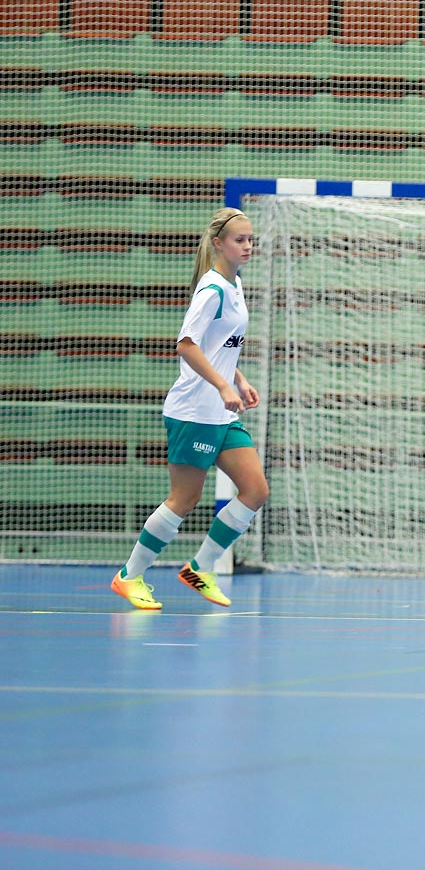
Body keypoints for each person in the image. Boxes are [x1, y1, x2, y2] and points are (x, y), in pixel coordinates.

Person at [110, 207, 271, 611]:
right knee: (185, 498)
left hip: (222, 410)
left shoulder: (235, 285)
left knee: (255, 491)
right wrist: (221, 384)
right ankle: (129, 576)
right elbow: (186, 344)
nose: (248, 246)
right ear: (219, 243)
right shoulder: (211, 289)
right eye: (240, 240)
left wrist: (239, 379)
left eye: (251, 239)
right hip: (194, 410)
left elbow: (221, 348)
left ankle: (201, 567)